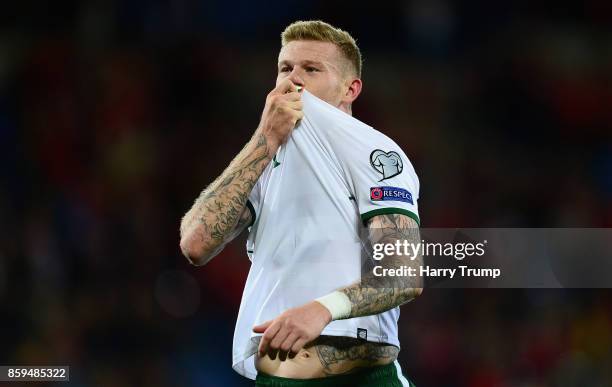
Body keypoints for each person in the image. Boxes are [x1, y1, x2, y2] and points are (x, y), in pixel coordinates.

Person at [180, 20, 423, 387]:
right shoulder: (264, 161)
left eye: (311, 69)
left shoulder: (374, 152)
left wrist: (324, 309)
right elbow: (196, 243)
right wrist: (264, 138)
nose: (293, 80)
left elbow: (403, 273)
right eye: (285, 68)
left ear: (350, 88)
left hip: (361, 379)